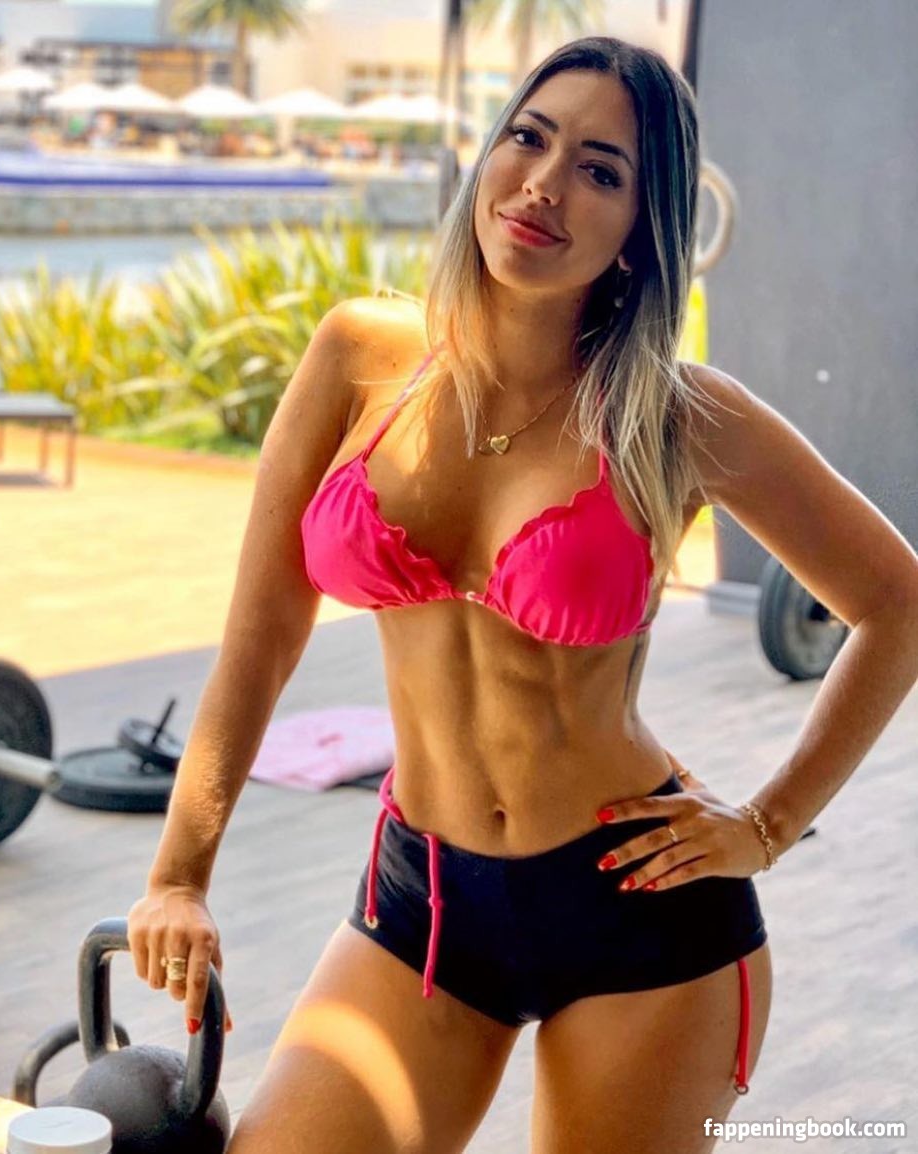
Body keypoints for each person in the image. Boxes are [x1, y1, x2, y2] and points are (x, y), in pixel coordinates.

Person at [127, 36, 918, 1154]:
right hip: (424, 907)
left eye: (599, 170)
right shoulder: (359, 355)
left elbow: (897, 602)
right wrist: (178, 876)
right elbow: (259, 640)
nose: (544, 184)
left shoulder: (679, 416)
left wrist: (767, 824)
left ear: (642, 225)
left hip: (643, 918)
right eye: (528, 138)